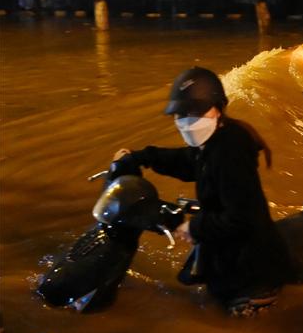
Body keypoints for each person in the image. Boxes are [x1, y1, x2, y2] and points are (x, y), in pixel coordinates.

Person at [112, 67, 289, 316]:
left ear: (217, 109)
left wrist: (194, 228)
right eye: (180, 114)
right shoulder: (212, 141)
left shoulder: (231, 150)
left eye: (195, 112)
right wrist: (141, 157)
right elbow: (187, 161)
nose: (187, 121)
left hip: (252, 274)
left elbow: (241, 218)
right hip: (229, 258)